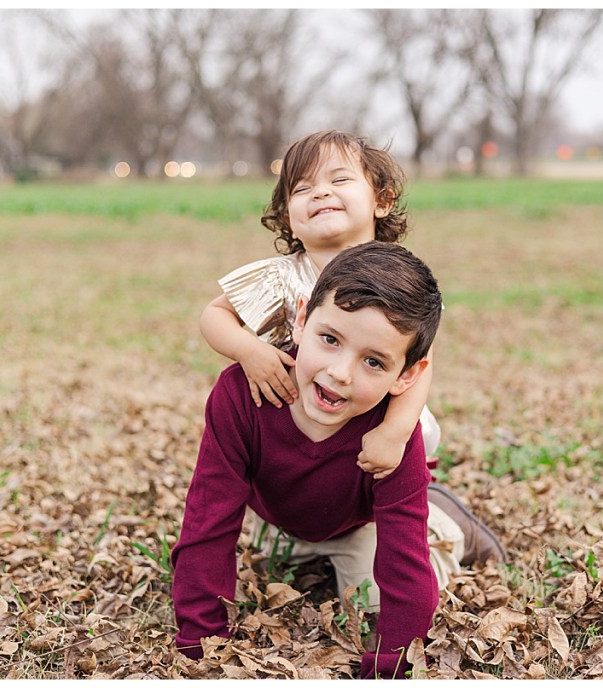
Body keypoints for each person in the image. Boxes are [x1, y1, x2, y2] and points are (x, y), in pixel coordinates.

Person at [171, 242, 506, 679]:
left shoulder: (391, 434)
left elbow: (405, 567)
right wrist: (200, 645)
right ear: (302, 320)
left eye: (373, 362)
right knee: (269, 563)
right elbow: (208, 522)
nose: (340, 373)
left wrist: (389, 669)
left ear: (405, 376)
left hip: (361, 524)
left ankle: (447, 524)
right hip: (281, 520)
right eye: (329, 340)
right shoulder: (241, 396)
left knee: (376, 603)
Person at [199, 130, 439, 480]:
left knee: (407, 447)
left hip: (371, 412)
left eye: (339, 180)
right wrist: (249, 351)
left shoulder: (398, 281)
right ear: (288, 220)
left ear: (382, 200)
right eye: (302, 188)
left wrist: (395, 431)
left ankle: (408, 493)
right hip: (297, 418)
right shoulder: (278, 277)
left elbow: (419, 364)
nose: (321, 192)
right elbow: (215, 315)